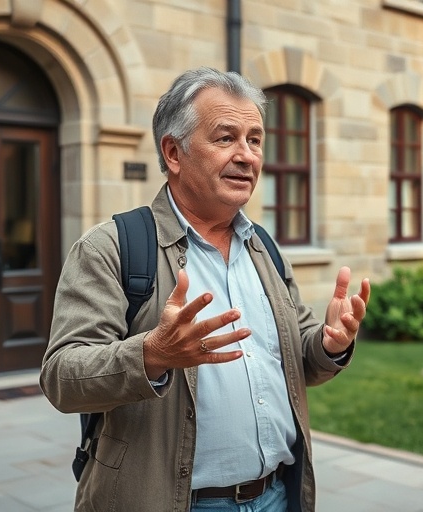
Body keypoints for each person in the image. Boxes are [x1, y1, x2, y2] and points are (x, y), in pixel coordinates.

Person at [40, 67, 371, 512]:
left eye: (255, 139)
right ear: (173, 152)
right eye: (225, 138)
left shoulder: (264, 248)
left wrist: (330, 344)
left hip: (276, 496)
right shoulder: (111, 247)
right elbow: (61, 377)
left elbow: (299, 364)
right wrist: (152, 354)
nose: (247, 155)